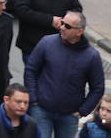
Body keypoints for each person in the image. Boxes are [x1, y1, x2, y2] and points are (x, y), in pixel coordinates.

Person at [24, 10, 104, 138]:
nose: (61, 27)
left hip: (69, 116)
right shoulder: (47, 43)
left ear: (79, 32)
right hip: (42, 110)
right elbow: (31, 70)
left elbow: (98, 87)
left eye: (67, 26)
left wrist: (82, 111)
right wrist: (33, 99)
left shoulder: (91, 56)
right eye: (62, 23)